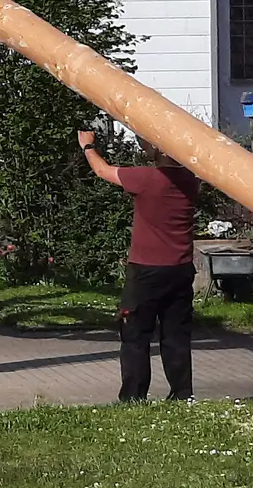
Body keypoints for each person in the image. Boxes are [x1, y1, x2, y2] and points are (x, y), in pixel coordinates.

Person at [78, 129, 201, 402]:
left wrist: (87, 146)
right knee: (176, 335)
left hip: (146, 270)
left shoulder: (146, 178)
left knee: (135, 334)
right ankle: (182, 394)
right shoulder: (190, 181)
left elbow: (102, 170)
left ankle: (134, 397)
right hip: (180, 269)